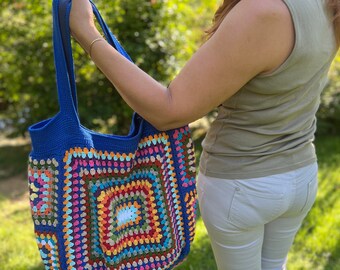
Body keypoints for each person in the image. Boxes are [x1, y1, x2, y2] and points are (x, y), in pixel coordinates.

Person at [70, 0, 339, 269]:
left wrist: (87, 33)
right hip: (300, 175)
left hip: (243, 185)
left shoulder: (262, 11)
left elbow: (169, 110)